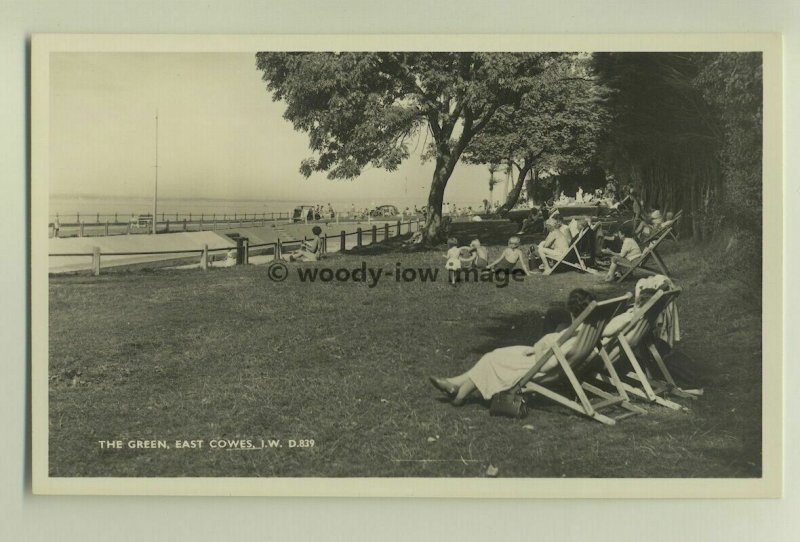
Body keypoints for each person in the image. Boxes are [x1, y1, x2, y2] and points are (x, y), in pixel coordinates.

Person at [429, 289, 596, 405]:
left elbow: (544, 367)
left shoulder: (575, 337)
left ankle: (460, 393)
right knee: (496, 354)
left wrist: (539, 346)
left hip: (537, 365)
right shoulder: (587, 332)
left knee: (491, 359)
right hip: (544, 357)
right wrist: (543, 344)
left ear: (573, 313)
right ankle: (454, 384)